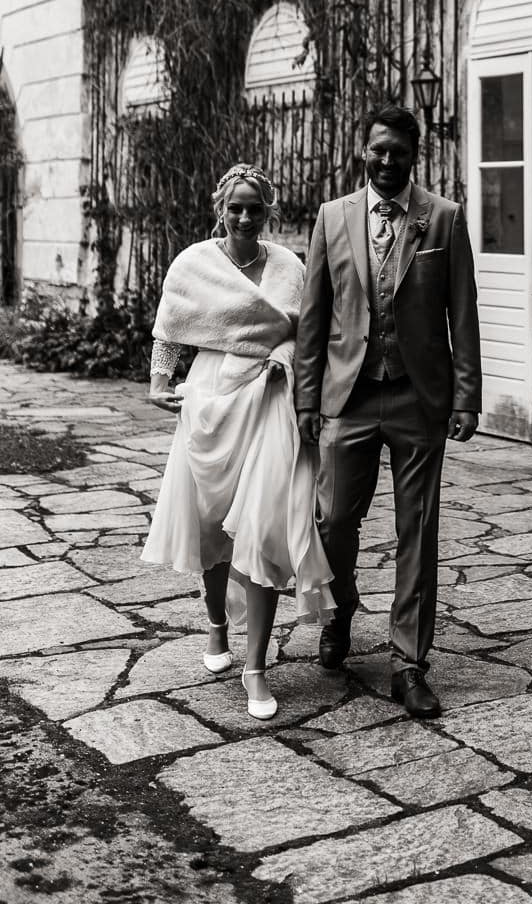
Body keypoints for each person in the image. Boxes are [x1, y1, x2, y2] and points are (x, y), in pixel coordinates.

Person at [293, 103, 481, 718]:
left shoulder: (444, 218)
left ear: (413, 155)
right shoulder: (332, 217)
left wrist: (465, 396)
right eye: (378, 149)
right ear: (364, 151)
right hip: (347, 396)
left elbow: (463, 314)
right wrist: (307, 398)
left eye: (398, 151)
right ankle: (339, 612)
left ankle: (408, 663)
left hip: (417, 398)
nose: (387, 160)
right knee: (332, 523)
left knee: (416, 530)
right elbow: (314, 317)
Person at [142, 162, 334, 720]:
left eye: (254, 208)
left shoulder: (290, 266)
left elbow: (307, 335)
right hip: (211, 399)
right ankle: (217, 624)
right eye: (236, 208)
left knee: (264, 526)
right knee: (209, 526)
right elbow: (169, 330)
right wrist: (158, 384)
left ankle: (256, 667)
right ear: (221, 210)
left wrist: (283, 357)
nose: (245, 217)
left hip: (271, 398)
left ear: (267, 211)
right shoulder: (194, 263)